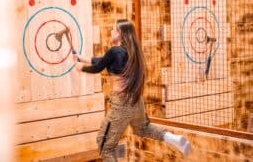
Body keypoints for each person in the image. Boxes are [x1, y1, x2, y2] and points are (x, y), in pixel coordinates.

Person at [73, 19, 191, 161]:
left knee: (105, 147)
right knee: (143, 128)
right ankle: (174, 138)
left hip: (121, 104)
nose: (111, 31)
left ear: (120, 33)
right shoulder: (132, 51)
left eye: (113, 29)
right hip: (136, 101)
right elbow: (103, 60)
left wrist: (81, 68)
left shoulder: (114, 51)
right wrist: (82, 58)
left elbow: (98, 67)